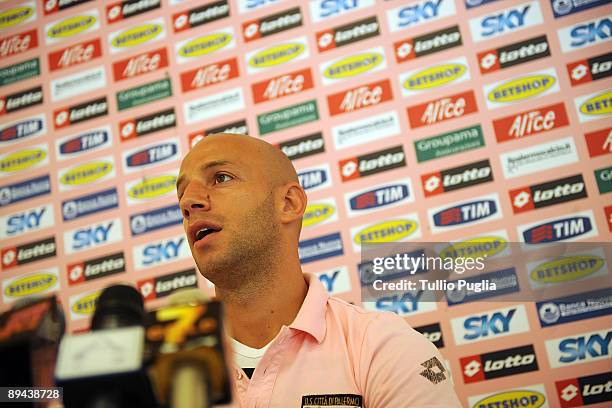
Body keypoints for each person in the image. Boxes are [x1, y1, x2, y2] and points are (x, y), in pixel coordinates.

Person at [176, 133, 461, 407]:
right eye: (182, 194)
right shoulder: (159, 368)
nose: (189, 202)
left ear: (288, 203)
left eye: (221, 178)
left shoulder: (382, 346)